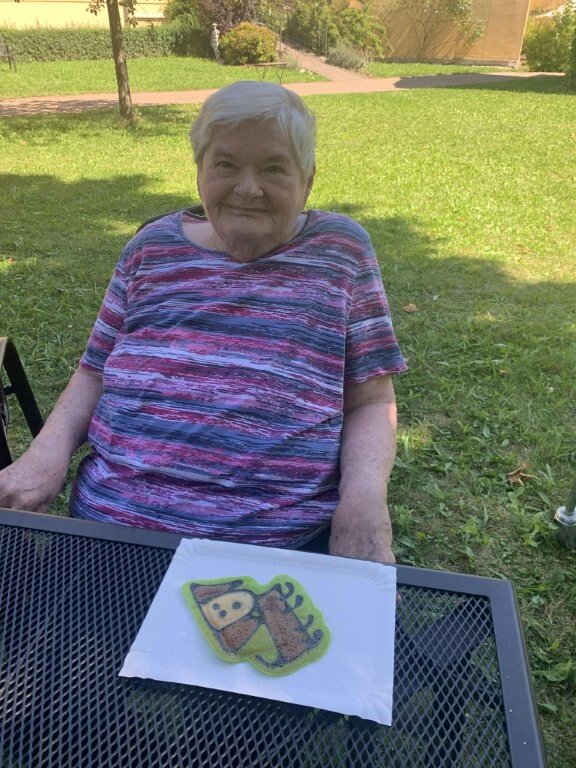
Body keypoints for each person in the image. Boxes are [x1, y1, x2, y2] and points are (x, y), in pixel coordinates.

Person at [0, 81, 407, 563]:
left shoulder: (340, 252)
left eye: (274, 167)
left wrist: (364, 499)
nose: (248, 188)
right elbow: (94, 372)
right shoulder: (150, 247)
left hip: (271, 547)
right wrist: (44, 454)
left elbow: (371, 400)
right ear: (200, 170)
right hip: (112, 529)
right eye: (226, 164)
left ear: (308, 179)